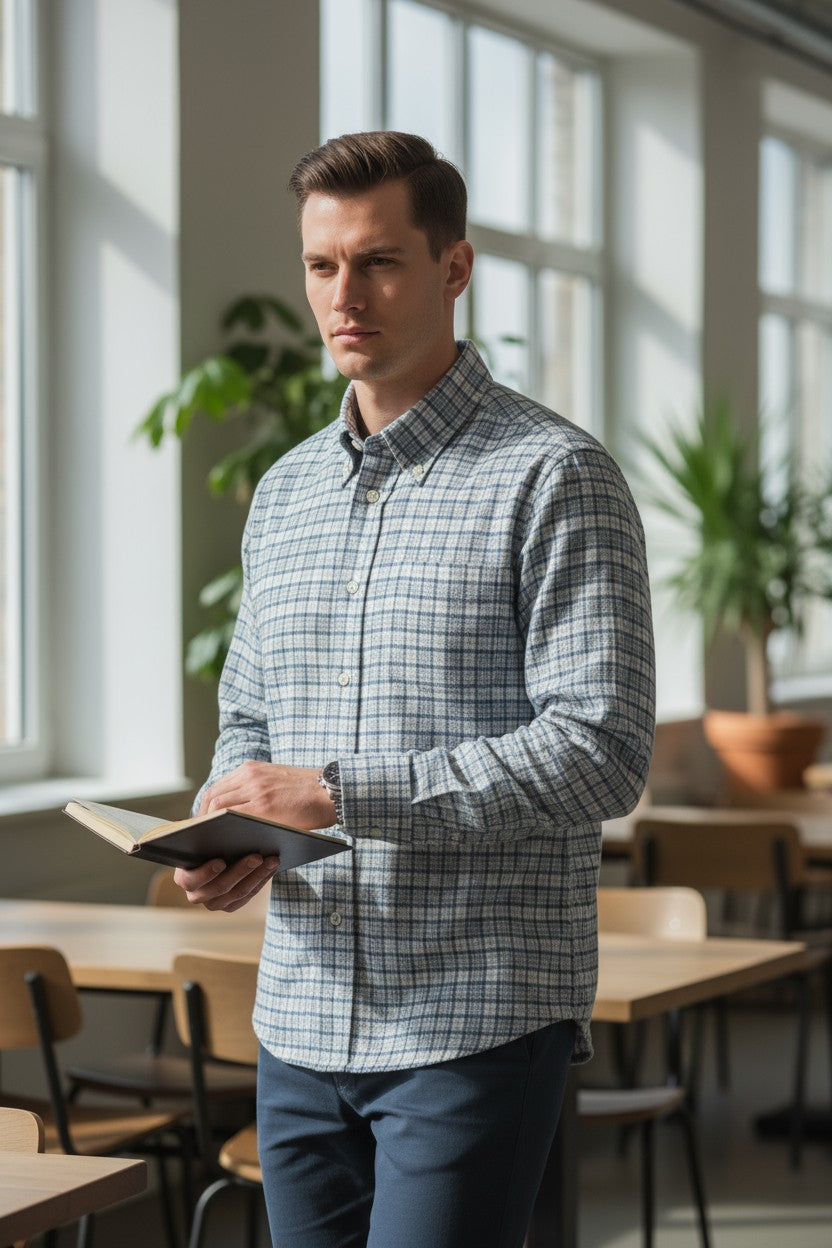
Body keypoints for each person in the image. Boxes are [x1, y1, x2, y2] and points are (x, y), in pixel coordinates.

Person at [175, 131, 655, 1248]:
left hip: (472, 1018)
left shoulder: (555, 475)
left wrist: (338, 794)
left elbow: (600, 749)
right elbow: (248, 712)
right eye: (321, 265)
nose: (345, 294)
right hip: (298, 1017)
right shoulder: (285, 492)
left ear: (454, 267)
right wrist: (229, 821)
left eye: (379, 261)